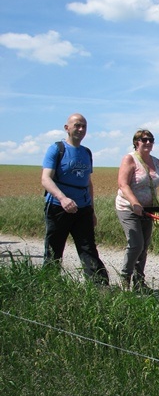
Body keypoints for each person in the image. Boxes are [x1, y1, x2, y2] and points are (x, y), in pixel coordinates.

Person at [41, 113, 109, 285]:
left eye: (84, 126)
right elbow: (45, 179)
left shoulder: (86, 152)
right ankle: (49, 286)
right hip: (58, 207)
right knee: (54, 250)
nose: (80, 129)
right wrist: (63, 198)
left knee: (88, 249)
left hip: (82, 208)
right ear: (67, 128)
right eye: (77, 125)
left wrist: (92, 210)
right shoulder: (56, 149)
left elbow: (88, 183)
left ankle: (99, 288)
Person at [115, 130, 159, 290]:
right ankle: (125, 279)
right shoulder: (129, 159)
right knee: (136, 244)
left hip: (149, 209)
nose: (148, 143)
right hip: (128, 208)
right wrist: (134, 203)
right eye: (144, 140)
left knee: (144, 246)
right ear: (136, 142)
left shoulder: (156, 162)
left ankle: (139, 282)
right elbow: (123, 184)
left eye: (151, 140)